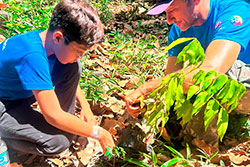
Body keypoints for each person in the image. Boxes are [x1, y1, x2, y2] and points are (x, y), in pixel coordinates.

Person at [124, 0, 250, 148]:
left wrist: (147, 88)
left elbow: (210, 72)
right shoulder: (179, 29)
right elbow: (170, 82)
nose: (169, 20)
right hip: (221, 98)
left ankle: (199, 153)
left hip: (242, 90)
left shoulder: (235, 10)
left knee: (212, 77)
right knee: (162, 92)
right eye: (165, 13)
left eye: (172, 9)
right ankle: (127, 150)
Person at [0, 0, 115, 156]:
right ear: (58, 37)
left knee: (72, 66)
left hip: (19, 94)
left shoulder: (47, 41)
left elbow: (62, 73)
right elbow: (52, 115)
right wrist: (99, 133)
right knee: (58, 142)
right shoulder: (32, 56)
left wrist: (85, 107)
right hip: (4, 105)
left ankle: (66, 123)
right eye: (79, 51)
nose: (80, 56)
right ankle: (5, 142)